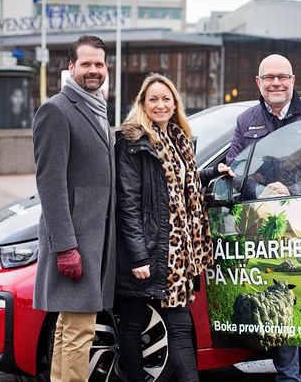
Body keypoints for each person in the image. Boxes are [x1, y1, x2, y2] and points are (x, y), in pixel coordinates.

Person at [206, 54, 301, 382]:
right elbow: (236, 164)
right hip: (267, 223)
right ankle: (288, 374)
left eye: (282, 77)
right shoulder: (247, 120)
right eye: (269, 78)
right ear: (258, 83)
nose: (276, 83)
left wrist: (290, 188)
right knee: (280, 293)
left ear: (293, 81)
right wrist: (260, 190)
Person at [115, 73, 212, 382]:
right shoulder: (131, 141)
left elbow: (181, 186)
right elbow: (128, 204)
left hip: (178, 255)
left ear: (175, 104)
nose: (160, 104)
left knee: (181, 329)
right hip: (147, 252)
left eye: (166, 99)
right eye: (153, 99)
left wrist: (212, 173)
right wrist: (139, 257)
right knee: (131, 324)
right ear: (142, 104)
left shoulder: (181, 140)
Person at [31, 35, 116, 382]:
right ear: (71, 67)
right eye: (86, 64)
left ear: (106, 68)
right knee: (78, 330)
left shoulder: (97, 107)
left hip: (95, 239)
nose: (93, 70)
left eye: (99, 64)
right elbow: (49, 184)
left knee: (72, 328)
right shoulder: (57, 109)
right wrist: (66, 247)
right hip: (77, 242)